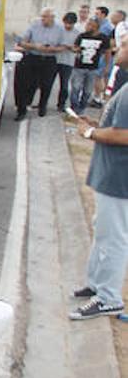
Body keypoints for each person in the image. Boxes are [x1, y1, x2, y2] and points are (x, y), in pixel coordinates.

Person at [71, 44, 128, 319]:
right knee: (103, 231)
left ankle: (109, 297)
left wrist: (90, 132)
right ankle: (96, 284)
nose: (119, 48)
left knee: (113, 237)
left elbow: (124, 135)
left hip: (119, 177)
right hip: (110, 175)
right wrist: (95, 124)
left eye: (126, 45)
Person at [14, 8, 63, 119]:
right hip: (33, 56)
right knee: (26, 84)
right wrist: (35, 46)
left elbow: (63, 46)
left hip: (49, 58)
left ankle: (42, 106)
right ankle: (21, 110)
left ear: (52, 18)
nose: (43, 19)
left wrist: (52, 49)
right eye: (42, 16)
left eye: (46, 17)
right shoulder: (34, 25)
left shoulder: (59, 29)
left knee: (46, 85)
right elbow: (22, 42)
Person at [71, 16, 110, 115]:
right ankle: (74, 107)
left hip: (93, 68)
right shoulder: (82, 36)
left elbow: (107, 52)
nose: (87, 27)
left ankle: (82, 107)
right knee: (76, 87)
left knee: (88, 90)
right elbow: (74, 47)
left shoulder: (103, 38)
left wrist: (106, 66)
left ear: (96, 26)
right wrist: (76, 49)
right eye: (88, 24)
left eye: (90, 25)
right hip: (79, 66)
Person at [54, 11, 81, 112]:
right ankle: (41, 103)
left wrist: (69, 47)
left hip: (68, 61)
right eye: (66, 23)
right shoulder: (58, 30)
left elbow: (78, 48)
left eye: (70, 24)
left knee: (64, 85)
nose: (68, 25)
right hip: (55, 59)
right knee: (46, 83)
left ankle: (61, 104)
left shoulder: (77, 33)